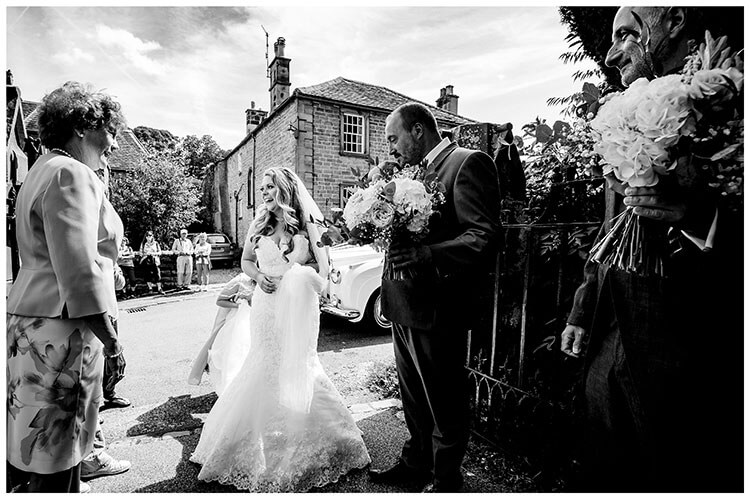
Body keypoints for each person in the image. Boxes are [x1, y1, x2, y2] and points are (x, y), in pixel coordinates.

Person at [560, 7, 742, 492]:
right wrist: (582, 308)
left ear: (676, 21)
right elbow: (611, 226)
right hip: (612, 332)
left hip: (691, 344)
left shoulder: (731, 97)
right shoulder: (625, 114)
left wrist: (700, 217)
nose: (611, 50)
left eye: (626, 32)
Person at [190, 167, 370, 491]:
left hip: (297, 309)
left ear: (284, 188)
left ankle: (322, 436)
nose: (264, 193)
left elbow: (322, 267)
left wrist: (297, 276)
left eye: (270, 187)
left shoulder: (306, 225)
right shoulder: (259, 224)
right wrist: (259, 278)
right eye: (261, 188)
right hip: (265, 306)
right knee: (262, 366)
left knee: (300, 366)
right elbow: (246, 262)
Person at [369, 103, 501, 492]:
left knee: (444, 401)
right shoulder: (409, 173)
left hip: (438, 308)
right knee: (413, 399)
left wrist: (430, 254)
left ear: (418, 131)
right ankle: (416, 463)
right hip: (401, 303)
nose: (390, 147)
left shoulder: (467, 163)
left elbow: (483, 235)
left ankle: (446, 480)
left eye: (394, 138)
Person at [6, 81, 127, 493]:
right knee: (56, 457)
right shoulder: (70, 173)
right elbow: (77, 269)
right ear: (83, 127)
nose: (112, 141)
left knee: (35, 447)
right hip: (63, 330)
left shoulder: (40, 171)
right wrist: (112, 342)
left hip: (33, 320)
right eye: (109, 130)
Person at [188, 272, 255, 395]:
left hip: (253, 322)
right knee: (229, 353)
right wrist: (239, 305)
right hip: (234, 321)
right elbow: (220, 300)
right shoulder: (241, 280)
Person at [140, 231, 165, 295]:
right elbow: (141, 253)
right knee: (147, 275)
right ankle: (150, 288)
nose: (149, 237)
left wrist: (153, 253)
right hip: (146, 260)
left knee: (157, 274)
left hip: (155, 260)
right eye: (147, 236)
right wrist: (146, 254)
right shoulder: (143, 244)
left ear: (152, 236)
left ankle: (159, 288)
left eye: (150, 236)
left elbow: (160, 252)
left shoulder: (156, 243)